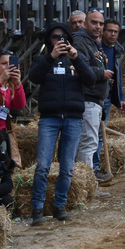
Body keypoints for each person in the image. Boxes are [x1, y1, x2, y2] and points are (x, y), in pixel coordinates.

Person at [27, 22, 96, 226]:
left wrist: (76, 58)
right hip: (49, 118)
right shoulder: (43, 59)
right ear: (49, 40)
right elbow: (34, 77)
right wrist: (52, 57)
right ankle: (37, 208)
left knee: (67, 167)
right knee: (42, 166)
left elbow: (91, 79)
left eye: (63, 37)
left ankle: (60, 206)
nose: (60, 40)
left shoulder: (78, 59)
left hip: (73, 118)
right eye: (55, 37)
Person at [73, 10, 110, 179]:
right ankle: (86, 184)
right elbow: (80, 68)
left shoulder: (93, 42)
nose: (98, 27)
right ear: (85, 23)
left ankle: (84, 182)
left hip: (94, 99)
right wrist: (102, 74)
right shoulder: (80, 41)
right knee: (88, 144)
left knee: (88, 143)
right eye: (94, 23)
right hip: (86, 98)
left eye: (101, 24)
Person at [96, 19, 125, 175]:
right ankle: (91, 167)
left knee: (101, 134)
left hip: (107, 96)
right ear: (103, 31)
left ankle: (95, 167)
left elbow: (119, 76)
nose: (112, 34)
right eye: (110, 31)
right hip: (95, 95)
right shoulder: (96, 48)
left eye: (115, 32)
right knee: (92, 133)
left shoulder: (118, 50)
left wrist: (120, 97)